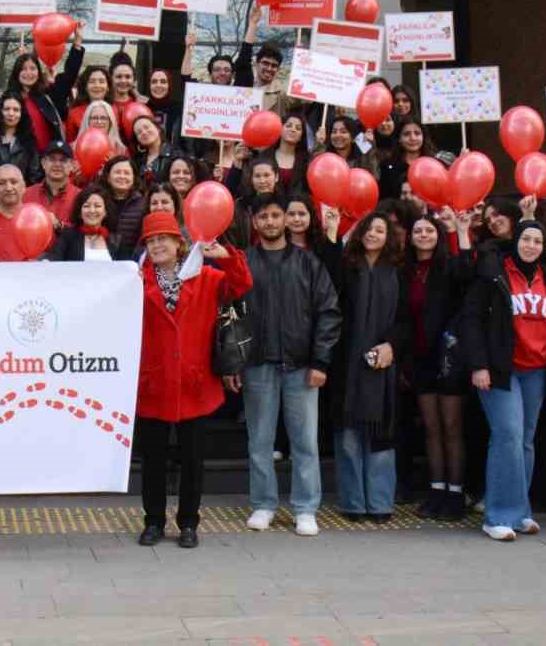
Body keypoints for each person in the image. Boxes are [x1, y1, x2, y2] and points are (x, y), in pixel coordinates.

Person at [134, 211, 251, 548]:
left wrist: (227, 257)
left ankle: (189, 523)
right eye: (150, 240)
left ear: (178, 243)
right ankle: (153, 521)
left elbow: (242, 285)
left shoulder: (206, 277)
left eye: (162, 239)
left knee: (193, 460)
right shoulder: (134, 281)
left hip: (194, 382)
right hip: (153, 383)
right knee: (153, 460)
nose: (156, 245)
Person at [459, 219, 546, 541]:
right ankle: (496, 516)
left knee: (524, 441)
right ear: (515, 241)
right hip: (501, 370)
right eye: (526, 239)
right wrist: (479, 365)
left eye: (538, 241)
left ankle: (520, 512)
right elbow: (471, 322)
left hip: (536, 372)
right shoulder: (493, 275)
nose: (532, 246)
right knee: (507, 437)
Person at [233, 193, 341, 537]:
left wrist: (321, 360)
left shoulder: (308, 263)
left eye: (275, 215)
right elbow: (231, 317)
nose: (269, 222)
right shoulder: (245, 262)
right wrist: (233, 363)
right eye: (263, 216)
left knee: (305, 443)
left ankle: (306, 508)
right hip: (257, 365)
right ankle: (263, 504)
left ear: (286, 219)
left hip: (302, 365)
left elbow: (329, 312)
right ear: (255, 222)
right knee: (260, 442)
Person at [330, 211, 409, 523]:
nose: (374, 234)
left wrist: (392, 345)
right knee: (348, 434)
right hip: (347, 362)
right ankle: (353, 502)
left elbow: (406, 317)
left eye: (380, 230)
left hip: (385, 362)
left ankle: (379, 503)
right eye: (369, 229)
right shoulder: (346, 267)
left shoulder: (399, 271)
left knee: (380, 433)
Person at [405, 209, 475, 520]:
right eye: (418, 231)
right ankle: (436, 491)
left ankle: (455, 494)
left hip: (449, 358)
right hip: (419, 357)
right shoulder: (405, 270)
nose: (423, 235)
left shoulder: (448, 265)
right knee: (432, 429)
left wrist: (460, 231)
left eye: (429, 231)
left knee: (452, 429)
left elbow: (467, 273)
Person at [4, 27, 83, 154]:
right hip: (18, 160)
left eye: (32, 68)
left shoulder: (48, 96)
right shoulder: (7, 99)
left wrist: (77, 43)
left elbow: (69, 75)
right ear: (16, 72)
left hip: (47, 159)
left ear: (39, 72)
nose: (28, 73)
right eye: (23, 68)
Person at [49, 185, 128, 261]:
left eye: (97, 206)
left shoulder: (116, 240)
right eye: (86, 206)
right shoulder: (67, 236)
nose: (92, 210)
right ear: (80, 212)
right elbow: (54, 261)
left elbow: (126, 269)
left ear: (105, 212)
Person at [24, 140, 80, 230]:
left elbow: (83, 232)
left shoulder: (80, 196)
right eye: (52, 159)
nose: (57, 164)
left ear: (72, 165)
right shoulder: (26, 194)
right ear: (43, 163)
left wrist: (59, 225)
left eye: (63, 160)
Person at [378, 117, 436, 200]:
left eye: (417, 133)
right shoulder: (387, 166)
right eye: (406, 134)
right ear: (399, 138)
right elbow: (384, 200)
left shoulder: (433, 164)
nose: (413, 138)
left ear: (424, 136)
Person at [100, 155, 147, 253]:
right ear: (108, 177)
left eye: (127, 173)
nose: (122, 176)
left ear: (134, 178)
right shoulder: (99, 201)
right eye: (117, 172)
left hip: (131, 262)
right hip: (102, 258)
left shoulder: (143, 204)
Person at [0, 93, 40, 184]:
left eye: (16, 110)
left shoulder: (29, 141)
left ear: (22, 113)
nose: (11, 113)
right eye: (6, 109)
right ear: (0, 111)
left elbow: (34, 175)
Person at [260, 111, 310, 193]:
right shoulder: (264, 156)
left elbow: (307, 191)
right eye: (288, 126)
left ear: (301, 136)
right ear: (280, 129)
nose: (293, 129)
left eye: (298, 128)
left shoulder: (306, 161)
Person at [64, 66, 113, 138]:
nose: (97, 85)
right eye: (92, 81)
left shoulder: (114, 111)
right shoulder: (74, 114)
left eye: (102, 81)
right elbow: (70, 144)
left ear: (108, 87)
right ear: (85, 87)